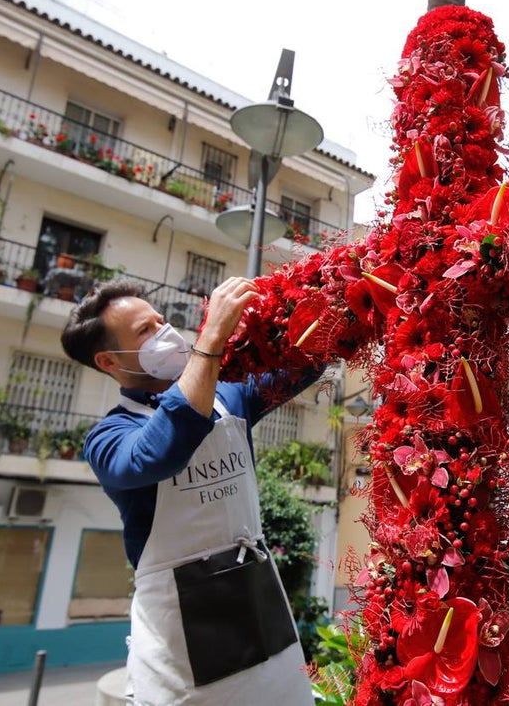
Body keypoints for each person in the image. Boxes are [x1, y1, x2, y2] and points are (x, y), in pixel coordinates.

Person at [60, 277, 319, 705]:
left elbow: (306, 363)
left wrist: (324, 307)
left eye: (159, 320)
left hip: (261, 610)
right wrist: (212, 337)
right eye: (144, 331)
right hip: (181, 643)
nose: (164, 331)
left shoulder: (230, 396)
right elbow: (161, 451)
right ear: (109, 361)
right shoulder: (108, 437)